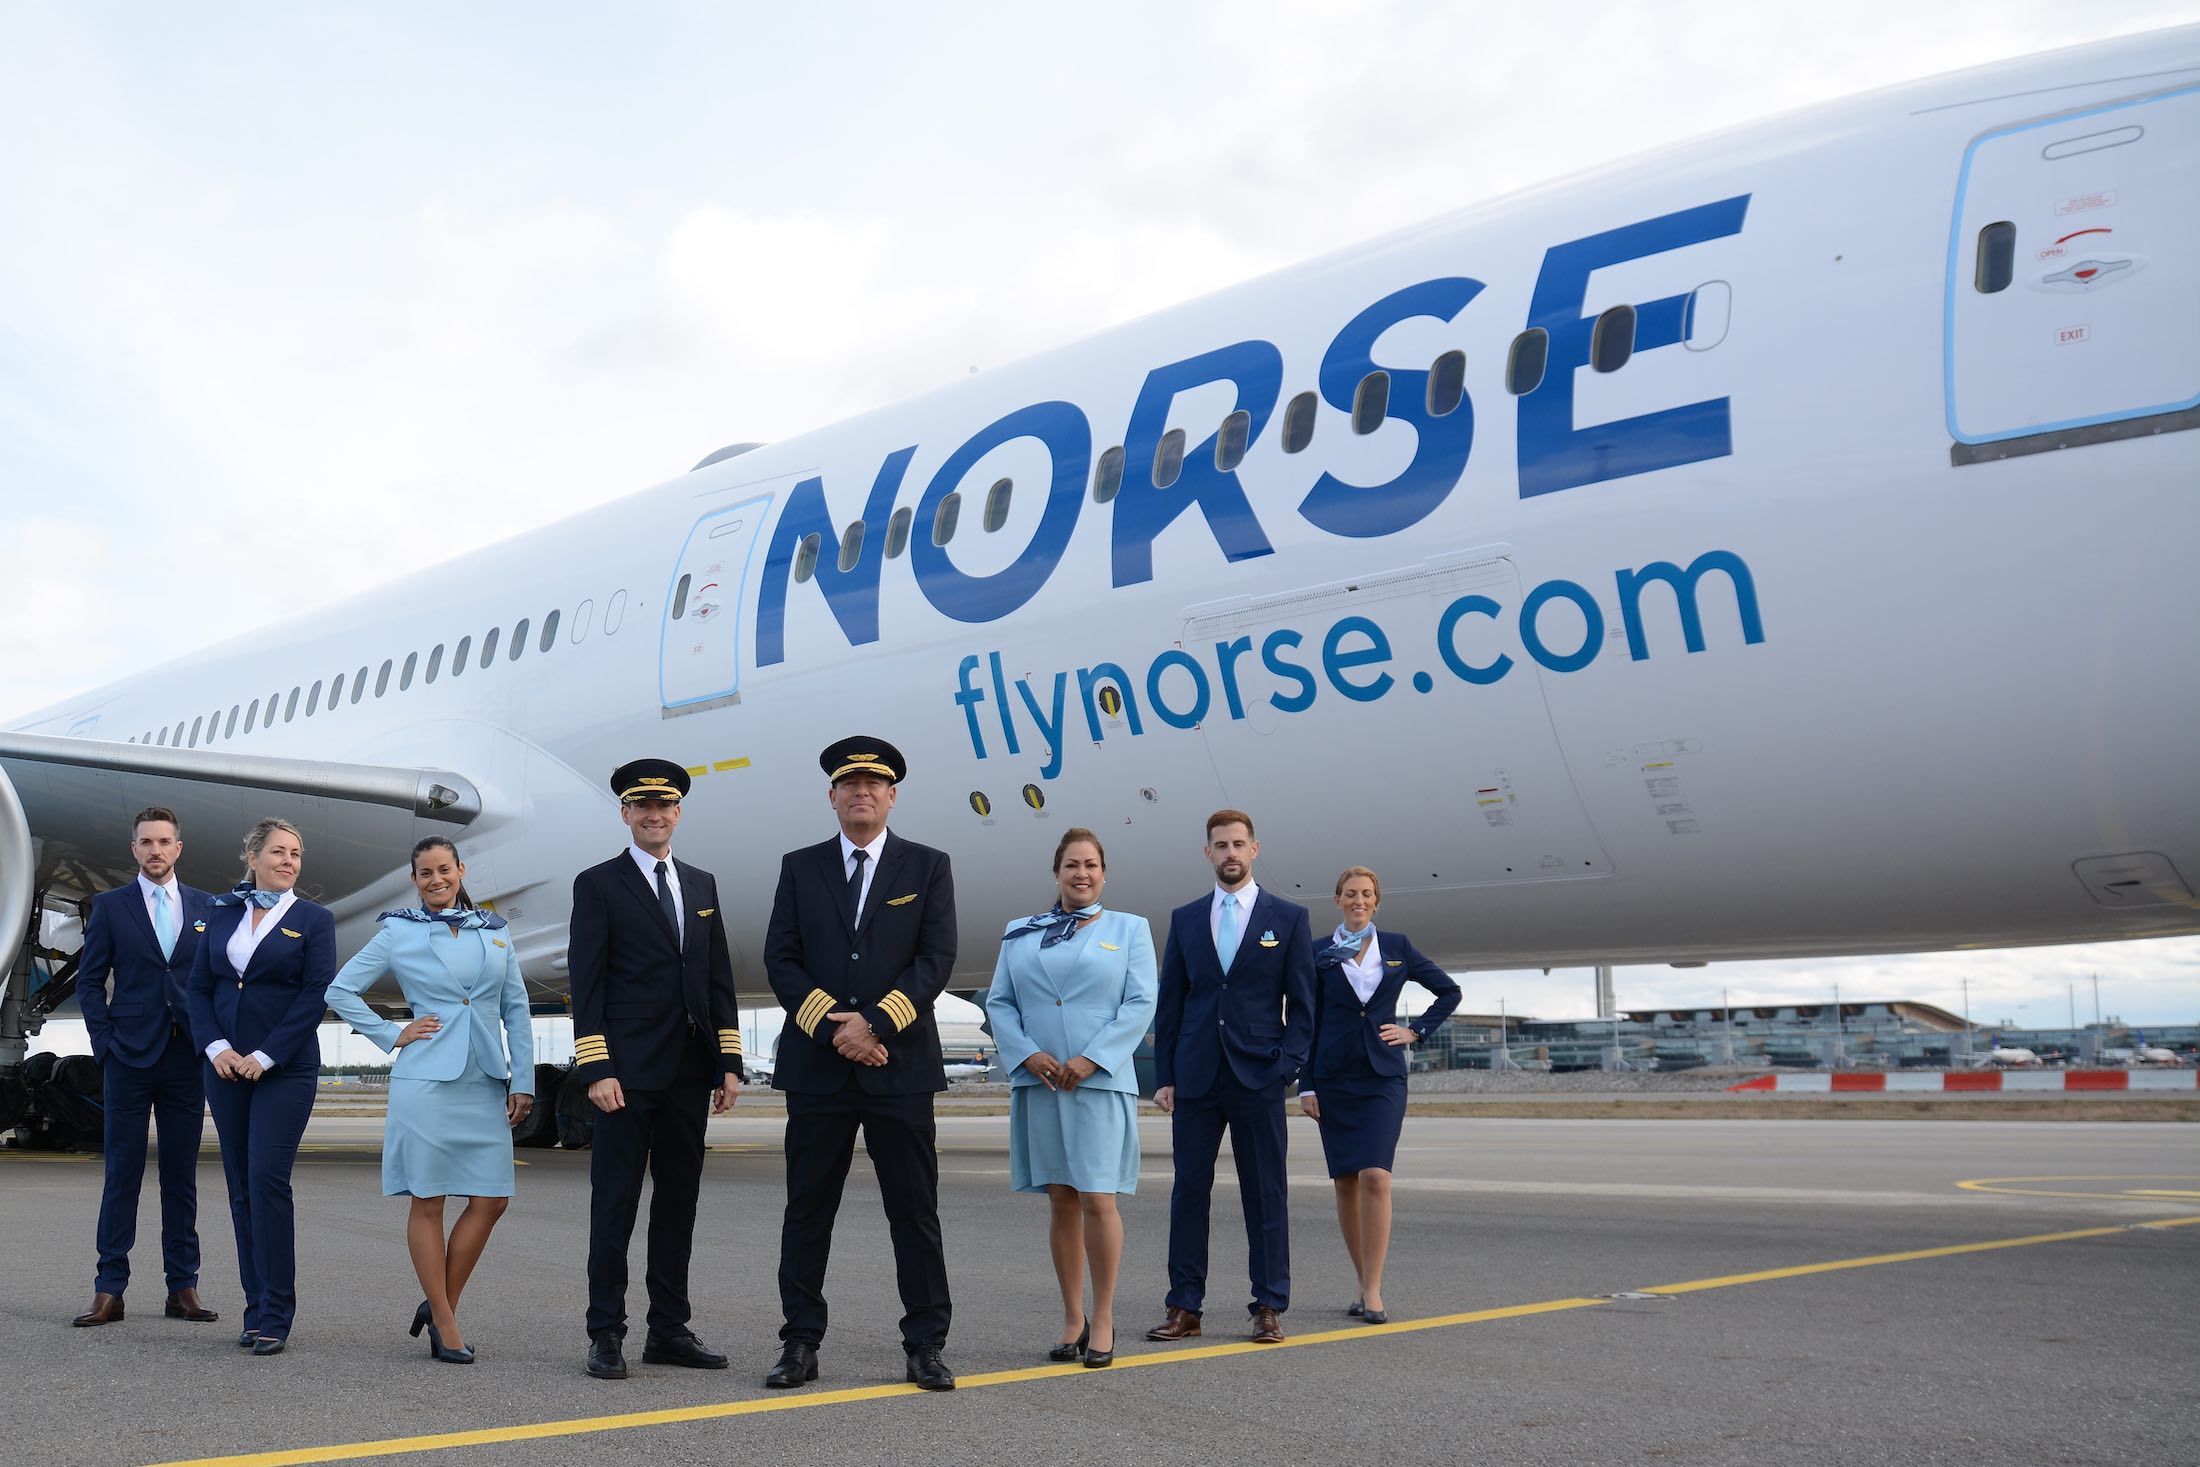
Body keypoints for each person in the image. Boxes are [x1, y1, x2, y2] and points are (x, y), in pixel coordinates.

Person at [763, 736, 957, 1392]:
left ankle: (926, 1342)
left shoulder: (927, 866)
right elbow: (781, 958)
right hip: (820, 1071)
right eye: (850, 784)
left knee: (914, 1211)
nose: (862, 792)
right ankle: (799, 1341)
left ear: (892, 795)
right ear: (833, 796)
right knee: (808, 1210)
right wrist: (833, 1026)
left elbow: (936, 958)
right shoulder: (800, 866)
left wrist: (874, 1022)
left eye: (874, 783)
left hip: (898, 1068)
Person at [326, 836, 536, 1364]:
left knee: (491, 1200)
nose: (436, 879)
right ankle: (445, 1321)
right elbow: (339, 990)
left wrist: (524, 1080)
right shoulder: (398, 931)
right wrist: (391, 1033)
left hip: (484, 1077)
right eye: (425, 873)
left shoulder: (495, 934)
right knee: (430, 1199)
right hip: (425, 1082)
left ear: (462, 871)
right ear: (414, 880)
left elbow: (516, 1010)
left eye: (445, 869)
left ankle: (438, 1304)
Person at [567, 759, 743, 1381]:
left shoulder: (701, 885)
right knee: (614, 1203)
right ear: (625, 813)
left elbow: (716, 977)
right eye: (641, 805)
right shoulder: (599, 884)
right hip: (624, 1077)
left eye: (664, 805)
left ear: (678, 812)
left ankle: (668, 1328)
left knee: (679, 1205)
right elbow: (586, 985)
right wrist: (596, 1067)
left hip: (687, 1076)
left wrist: (728, 1062)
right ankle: (605, 1332)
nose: (653, 814)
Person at [984, 828, 1157, 1369]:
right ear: (1056, 873)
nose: (1081, 873)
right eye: (1071, 865)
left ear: (1103, 873)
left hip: (1097, 1081)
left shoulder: (1129, 929)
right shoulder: (1020, 933)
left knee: (1097, 1199)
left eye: (1091, 865)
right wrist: (1025, 1053)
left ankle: (1103, 1317)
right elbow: (1000, 1001)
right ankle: (1072, 1316)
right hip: (1040, 1080)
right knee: (1060, 1197)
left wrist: (1095, 1056)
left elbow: (1140, 1001)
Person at [1145, 809, 1312, 1347]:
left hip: (1258, 1075)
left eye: (1238, 844)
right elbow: (1170, 1004)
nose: (1230, 853)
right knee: (1189, 1192)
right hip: (1196, 1077)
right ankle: (1184, 1305)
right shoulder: (1187, 918)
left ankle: (1268, 1304)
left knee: (1265, 1193)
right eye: (1221, 845)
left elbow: (1304, 1006)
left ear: (1254, 849)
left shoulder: (1287, 918)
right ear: (1208, 853)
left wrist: (1286, 1067)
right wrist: (1166, 1073)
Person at [186, 817, 336, 1356]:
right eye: (278, 852)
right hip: (224, 1068)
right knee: (240, 1186)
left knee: (268, 1180)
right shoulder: (219, 911)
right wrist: (216, 1049)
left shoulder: (315, 920)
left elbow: (314, 996)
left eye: (296, 853)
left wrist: (265, 1056)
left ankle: (277, 1312)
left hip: (284, 1069)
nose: (289, 861)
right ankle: (253, 1308)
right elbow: (199, 989)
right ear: (252, 857)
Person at [71, 806, 219, 1329]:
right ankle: (109, 1288)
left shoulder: (208, 906)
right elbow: (89, 981)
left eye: (164, 842)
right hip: (128, 1057)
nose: (155, 850)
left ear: (179, 848)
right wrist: (103, 1042)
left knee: (181, 1178)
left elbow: (215, 980)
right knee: (122, 1176)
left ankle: (183, 1287)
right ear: (133, 849)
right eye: (146, 843)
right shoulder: (110, 906)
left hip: (185, 1058)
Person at [1296, 866, 1461, 1323]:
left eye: (1367, 894)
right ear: (1337, 900)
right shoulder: (1317, 952)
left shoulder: (1397, 947)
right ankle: (1361, 1279)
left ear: (1376, 901)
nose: (1358, 901)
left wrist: (1416, 1031)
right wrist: (1305, 1083)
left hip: (1382, 1077)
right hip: (1332, 1078)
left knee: (1376, 1175)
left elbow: (1449, 991)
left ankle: (1373, 1290)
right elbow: (1306, 1022)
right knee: (1346, 1181)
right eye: (1350, 894)